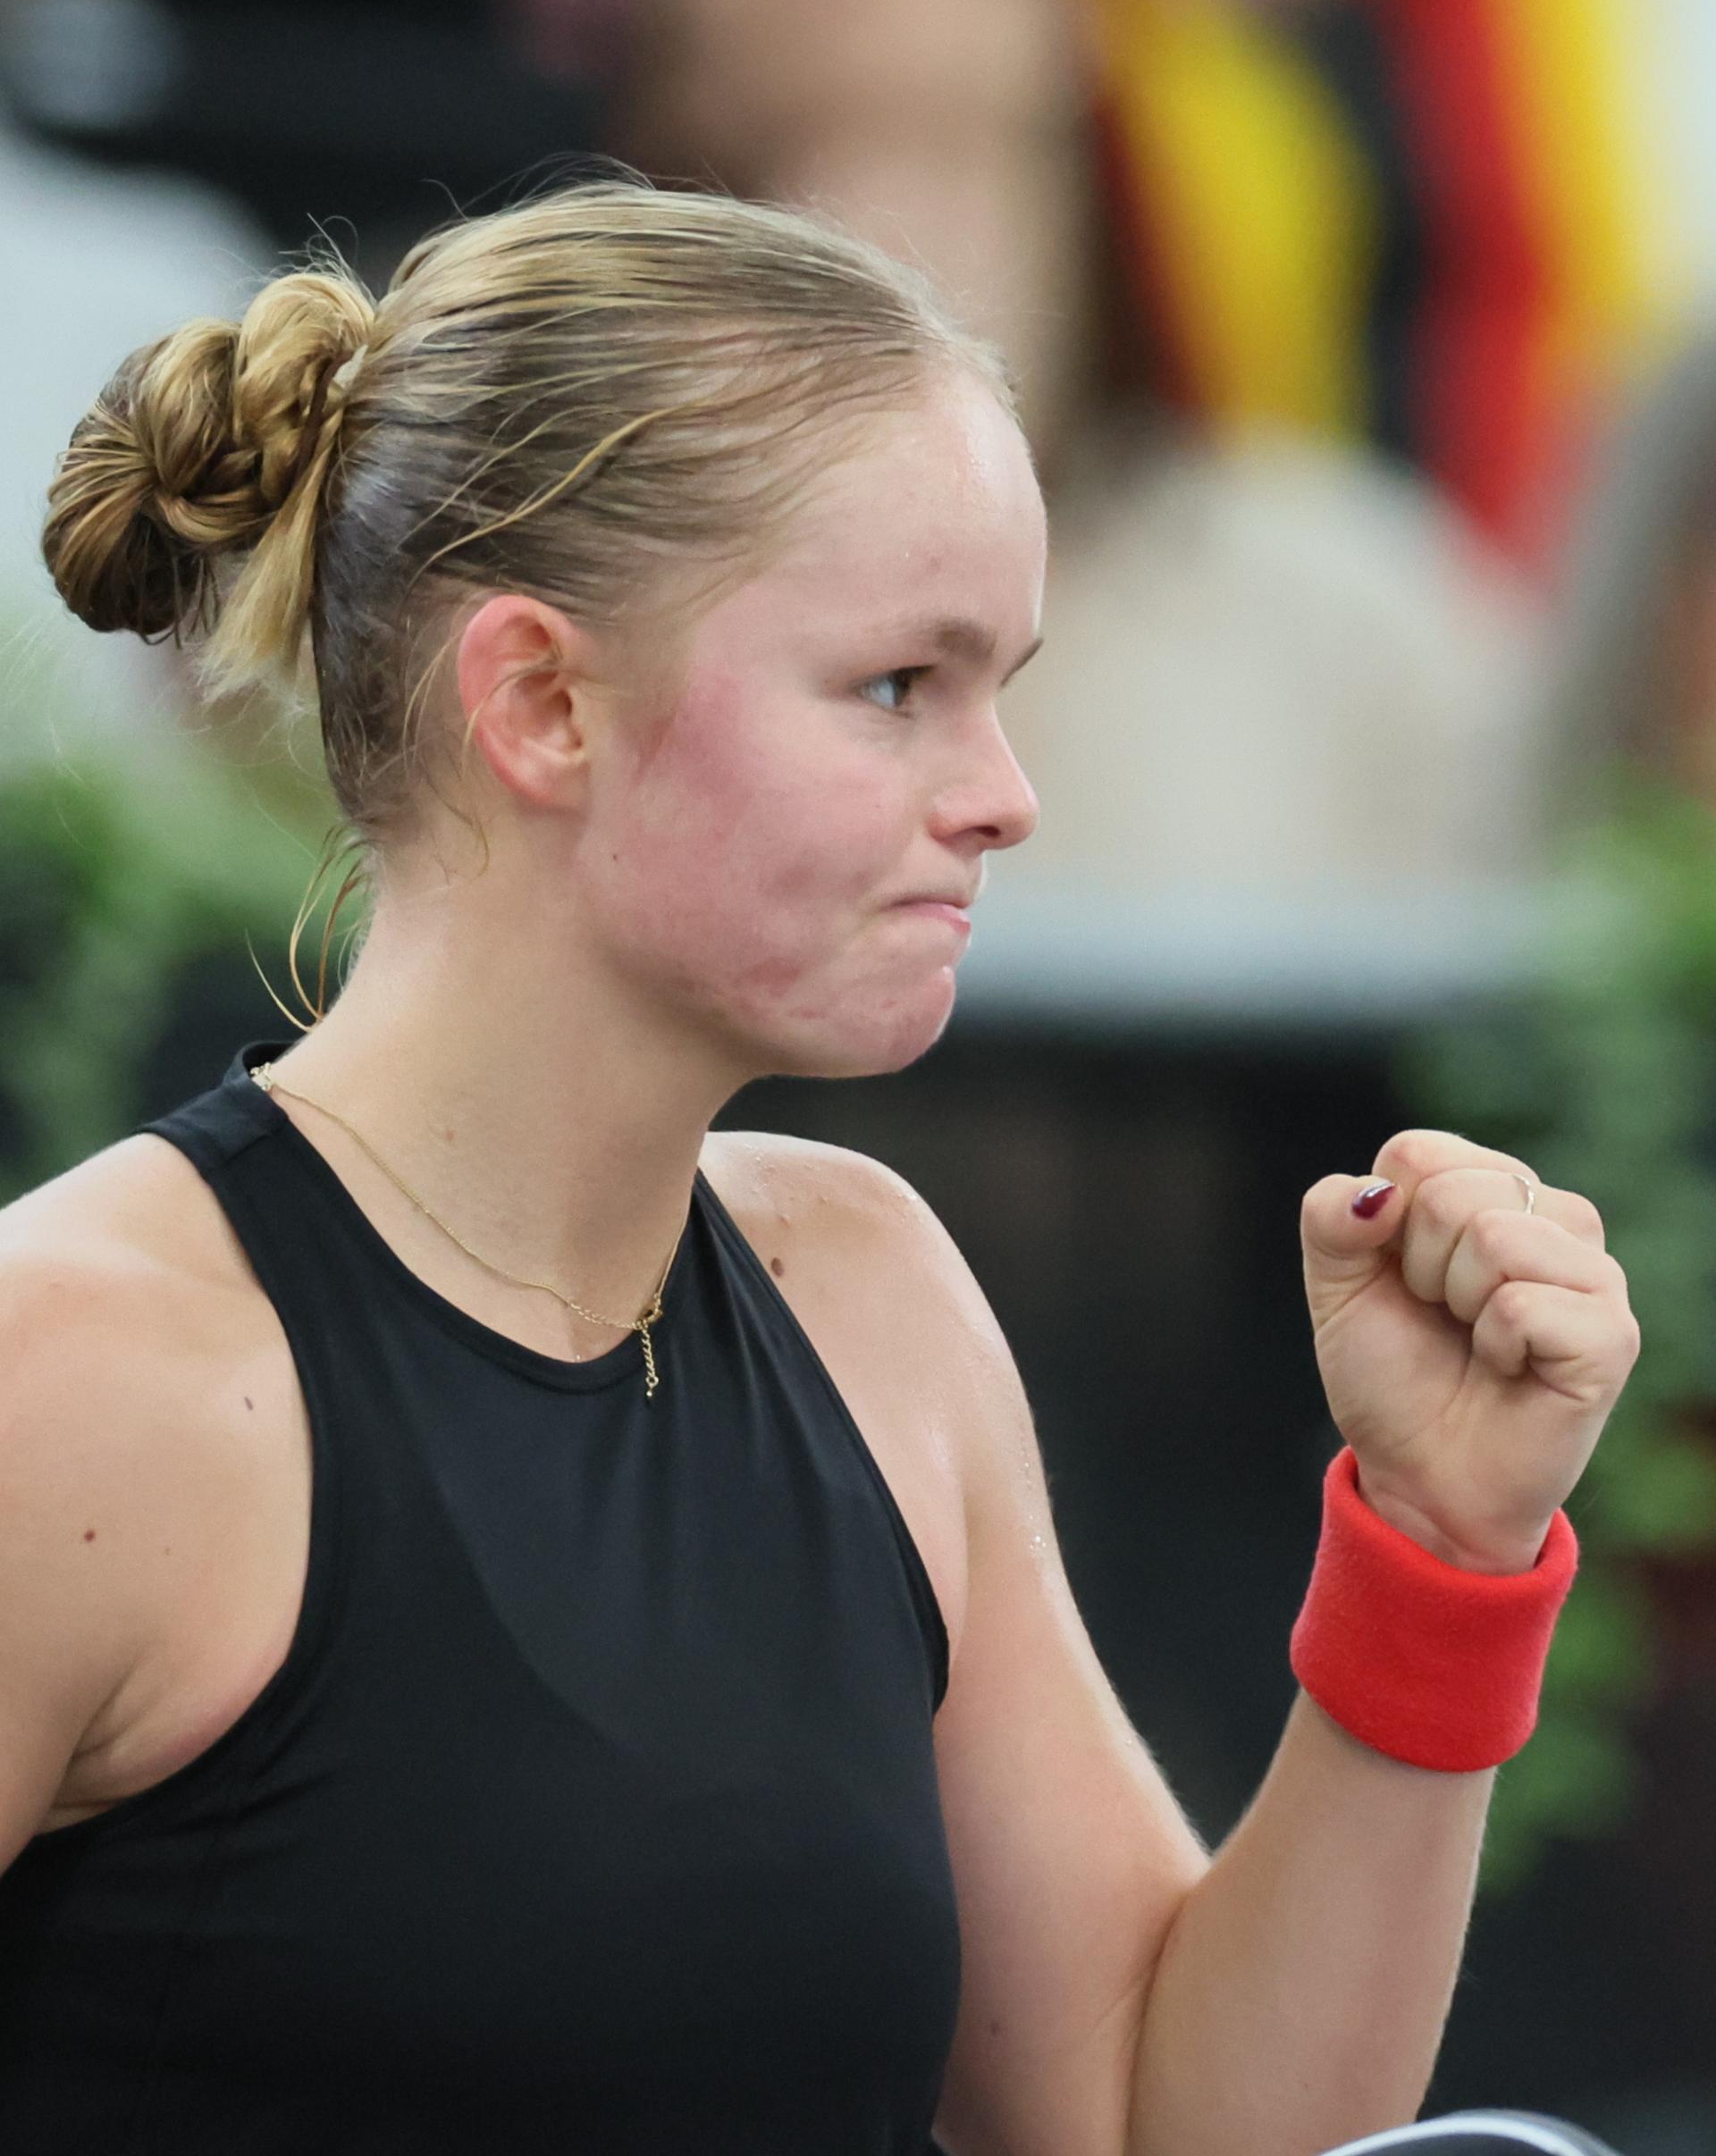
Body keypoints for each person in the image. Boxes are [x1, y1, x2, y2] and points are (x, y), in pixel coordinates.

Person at [0, 180, 1638, 2153]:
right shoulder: (76, 1374)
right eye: (897, 686)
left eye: (1002, 684)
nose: (1003, 796)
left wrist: (1440, 1545)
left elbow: (1150, 2122)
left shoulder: (866, 1295)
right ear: (541, 702)